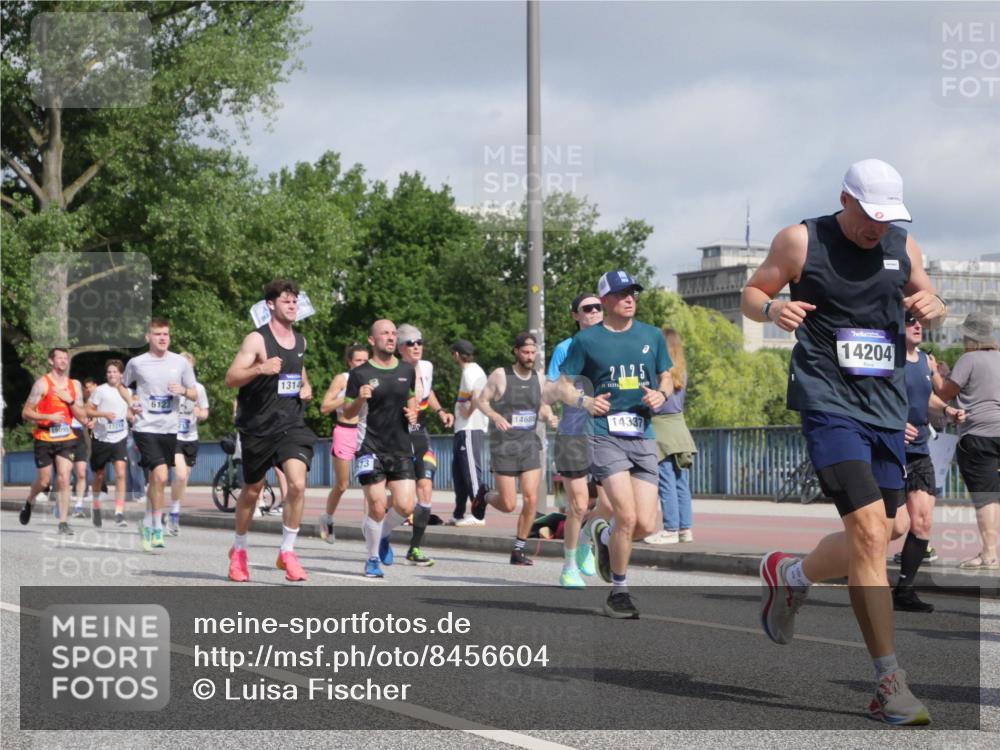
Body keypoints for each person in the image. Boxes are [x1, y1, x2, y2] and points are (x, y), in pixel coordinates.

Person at [740, 158, 946, 725]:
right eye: (869, 215)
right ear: (845, 199)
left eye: (888, 217)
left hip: (885, 407)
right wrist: (773, 307)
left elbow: (927, 296)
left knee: (890, 530)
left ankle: (792, 575)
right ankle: (889, 683)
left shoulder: (903, 246)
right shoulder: (801, 240)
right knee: (869, 531)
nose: (878, 227)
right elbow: (752, 291)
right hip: (828, 402)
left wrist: (934, 302)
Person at [559, 269, 673, 619]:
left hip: (643, 434)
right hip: (604, 434)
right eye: (622, 294)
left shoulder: (651, 335)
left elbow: (667, 376)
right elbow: (563, 385)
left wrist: (661, 394)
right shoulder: (586, 341)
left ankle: (605, 537)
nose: (629, 299)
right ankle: (618, 593)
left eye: (632, 293)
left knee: (646, 525)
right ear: (605, 300)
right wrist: (585, 402)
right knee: (626, 515)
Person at [224, 279, 316, 582]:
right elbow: (231, 378)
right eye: (286, 301)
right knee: (253, 490)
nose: (292, 306)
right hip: (258, 427)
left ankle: (287, 551)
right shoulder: (256, 340)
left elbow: (299, 372)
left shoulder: (300, 341)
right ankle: (239, 549)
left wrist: (306, 387)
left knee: (297, 485)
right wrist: (259, 369)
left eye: (295, 301)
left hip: (291, 423)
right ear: (270, 304)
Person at [888, 314, 958, 612]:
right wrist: (893, 424)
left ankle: (904, 591)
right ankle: (856, 559)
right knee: (895, 525)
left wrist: (947, 410)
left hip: (919, 449)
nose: (917, 325)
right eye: (909, 320)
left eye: (919, 321)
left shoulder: (924, 361)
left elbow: (926, 397)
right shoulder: (888, 359)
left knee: (922, 521)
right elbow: (870, 398)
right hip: (890, 449)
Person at [341, 319, 418, 578]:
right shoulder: (360, 374)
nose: (391, 337)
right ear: (372, 340)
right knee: (376, 505)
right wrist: (360, 398)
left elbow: (411, 397)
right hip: (369, 447)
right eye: (385, 333)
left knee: (406, 506)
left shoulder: (407, 369)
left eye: (394, 333)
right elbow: (347, 412)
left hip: (400, 447)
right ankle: (372, 559)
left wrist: (413, 413)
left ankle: (382, 533)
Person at [473, 331, 558, 565]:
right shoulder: (501, 375)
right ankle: (485, 496)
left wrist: (549, 416)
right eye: (526, 352)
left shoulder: (539, 377)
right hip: (504, 446)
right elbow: (481, 400)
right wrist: (495, 416)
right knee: (508, 504)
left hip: (529, 444)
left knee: (531, 498)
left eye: (533, 352)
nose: (530, 357)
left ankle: (518, 550)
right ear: (516, 351)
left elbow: (542, 406)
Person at [119, 318, 198, 552]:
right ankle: (156, 527)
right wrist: (131, 400)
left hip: (169, 428)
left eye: (166, 334)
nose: (163, 338)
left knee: (156, 479)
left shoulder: (180, 363)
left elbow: (194, 393)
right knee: (161, 476)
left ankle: (147, 521)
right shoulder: (137, 362)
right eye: (157, 334)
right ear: (148, 337)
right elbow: (123, 385)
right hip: (145, 427)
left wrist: (183, 390)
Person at [545, 293, 604, 588]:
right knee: (578, 505)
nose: (594, 311)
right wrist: (579, 400)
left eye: (598, 307)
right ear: (575, 315)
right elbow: (550, 389)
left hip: (607, 435)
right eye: (587, 308)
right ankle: (568, 567)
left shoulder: (614, 345)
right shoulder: (565, 348)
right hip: (573, 435)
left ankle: (583, 539)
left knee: (612, 505)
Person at [934, 311, 1000, 571]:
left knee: (985, 497)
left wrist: (934, 372)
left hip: (978, 436)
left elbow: (944, 393)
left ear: (969, 337)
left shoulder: (969, 359)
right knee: (995, 495)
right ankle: (989, 551)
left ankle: (989, 555)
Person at [397, 324, 454, 566]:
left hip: (419, 431)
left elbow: (427, 392)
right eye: (410, 343)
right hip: (396, 434)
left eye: (419, 342)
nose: (416, 346)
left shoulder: (427, 366)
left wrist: (440, 411)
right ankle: (381, 534)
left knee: (426, 488)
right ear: (400, 348)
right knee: (403, 501)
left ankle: (415, 547)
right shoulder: (394, 369)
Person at [19, 348, 89, 534]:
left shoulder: (74, 385)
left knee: (64, 477)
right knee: (43, 481)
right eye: (60, 358)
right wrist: (48, 416)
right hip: (44, 437)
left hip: (67, 437)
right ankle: (30, 500)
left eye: (66, 358)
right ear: (51, 361)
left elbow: (82, 416)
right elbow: (26, 413)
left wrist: (70, 401)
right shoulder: (42, 384)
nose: (64, 361)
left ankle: (63, 522)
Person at [646, 328, 697, 545]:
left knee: (666, 480)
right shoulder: (681, 373)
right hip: (679, 427)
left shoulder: (657, 373)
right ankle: (685, 529)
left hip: (661, 428)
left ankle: (670, 529)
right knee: (681, 482)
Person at [318, 343, 370, 543]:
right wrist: (349, 397)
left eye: (365, 360)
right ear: (350, 362)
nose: (362, 364)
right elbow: (324, 407)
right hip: (345, 431)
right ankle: (327, 518)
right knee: (342, 485)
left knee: (370, 483)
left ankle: (369, 528)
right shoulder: (343, 379)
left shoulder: (373, 380)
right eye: (358, 360)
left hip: (366, 433)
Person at [87, 359, 132, 527]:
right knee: (99, 475)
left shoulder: (127, 391)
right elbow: (87, 409)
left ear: (121, 374)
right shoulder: (100, 390)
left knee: (121, 473)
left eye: (115, 372)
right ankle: (95, 506)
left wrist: (132, 416)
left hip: (120, 437)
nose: (112, 374)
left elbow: (130, 411)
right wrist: (103, 414)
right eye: (109, 372)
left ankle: (119, 512)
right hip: (101, 438)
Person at [448, 339, 489, 526]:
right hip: (462, 428)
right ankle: (458, 513)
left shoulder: (470, 371)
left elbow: (477, 394)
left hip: (470, 428)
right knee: (459, 472)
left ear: (457, 354)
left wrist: (469, 411)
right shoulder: (473, 370)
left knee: (471, 471)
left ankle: (478, 514)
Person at [168, 352, 209, 535]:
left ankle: (174, 509)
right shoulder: (170, 386)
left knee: (183, 479)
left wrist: (201, 414)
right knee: (180, 474)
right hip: (173, 436)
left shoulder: (198, 389)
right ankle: (174, 513)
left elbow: (205, 411)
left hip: (191, 437)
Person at [70, 378, 97, 519]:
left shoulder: (82, 403)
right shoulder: (62, 401)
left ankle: (78, 506)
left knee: (81, 472)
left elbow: (86, 416)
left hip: (79, 436)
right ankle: (60, 503)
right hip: (65, 436)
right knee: (64, 473)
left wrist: (89, 423)